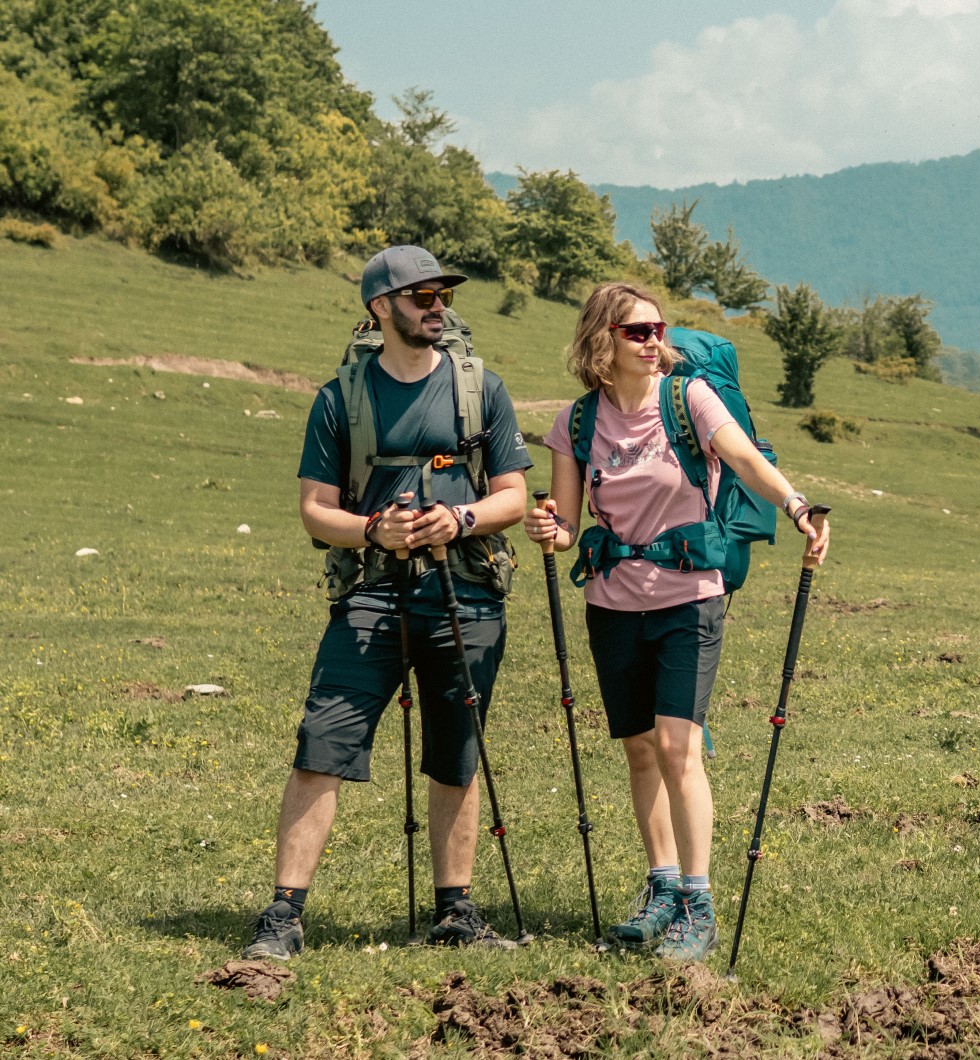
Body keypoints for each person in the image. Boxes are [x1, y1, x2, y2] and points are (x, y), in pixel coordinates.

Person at [524, 281, 829, 962]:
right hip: (611, 603)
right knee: (638, 749)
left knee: (677, 747)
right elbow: (570, 525)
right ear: (602, 342)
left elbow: (745, 457)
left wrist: (798, 506)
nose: (655, 340)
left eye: (658, 328)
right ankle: (661, 888)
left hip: (690, 596)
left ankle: (698, 901)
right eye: (638, 332)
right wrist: (549, 527)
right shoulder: (577, 423)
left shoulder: (688, 398)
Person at [243, 245, 532, 960]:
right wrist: (375, 528)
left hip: (465, 594)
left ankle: (456, 911)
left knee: (456, 754)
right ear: (380, 307)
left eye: (443, 296)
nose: (439, 307)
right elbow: (315, 511)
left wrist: (460, 519)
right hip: (371, 596)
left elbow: (514, 496)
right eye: (422, 296)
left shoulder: (481, 389)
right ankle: (283, 914)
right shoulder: (340, 399)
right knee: (323, 744)